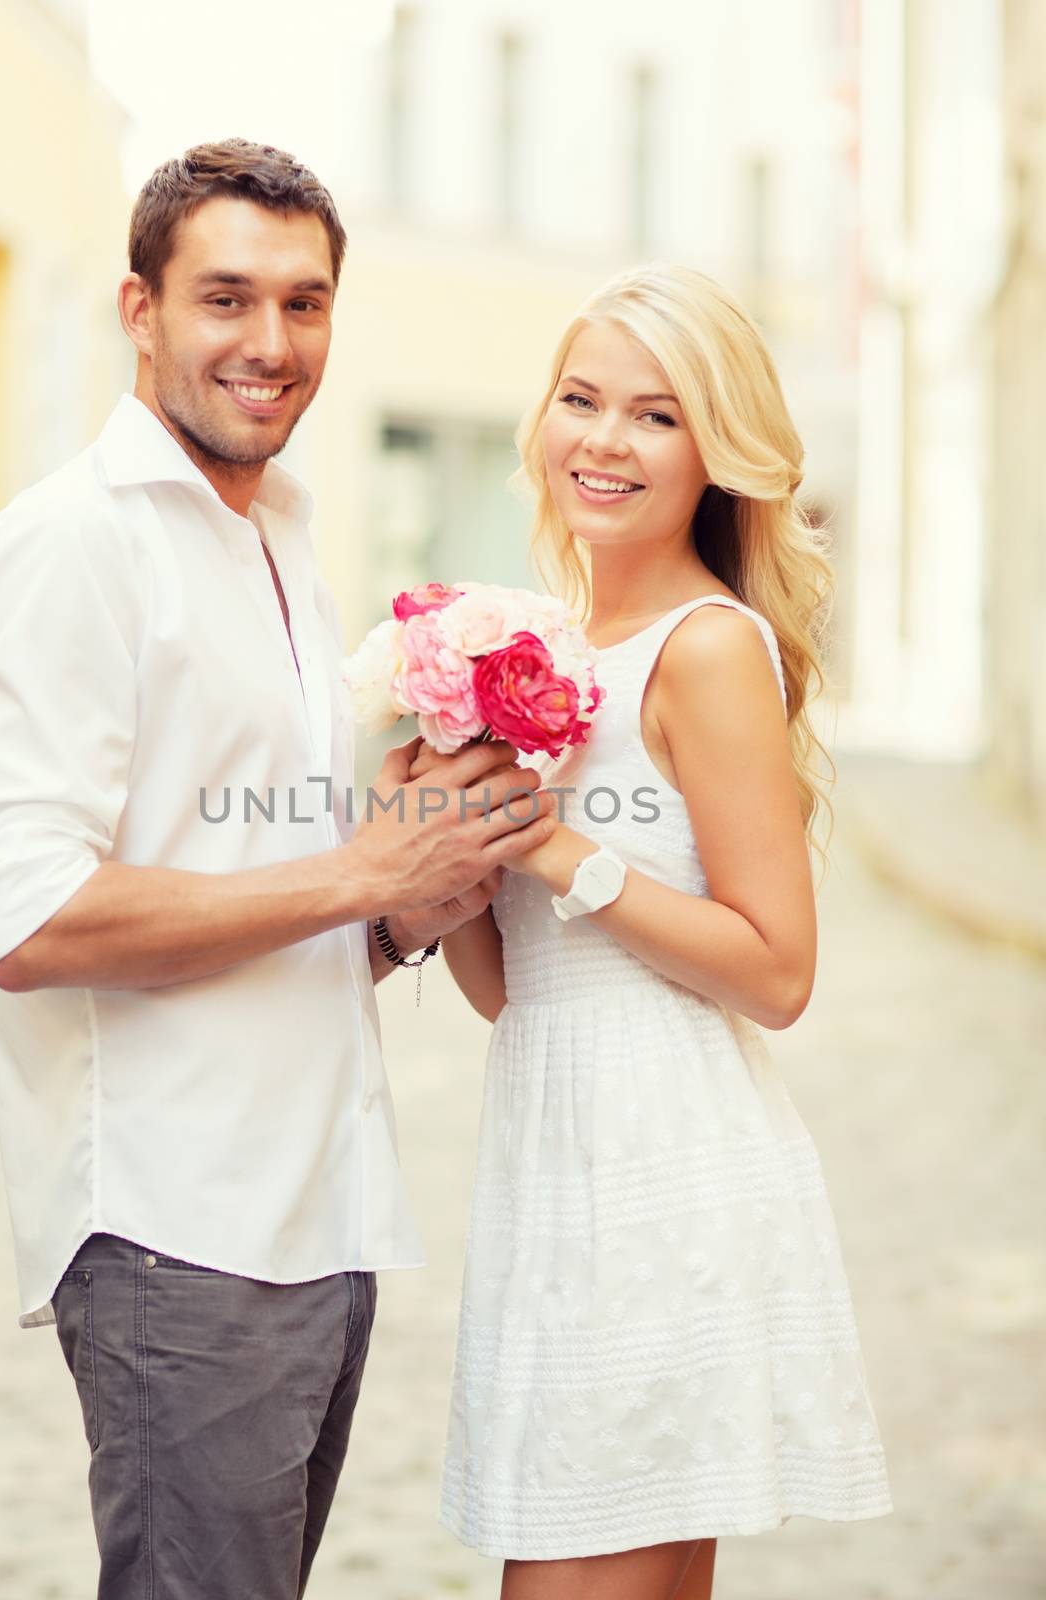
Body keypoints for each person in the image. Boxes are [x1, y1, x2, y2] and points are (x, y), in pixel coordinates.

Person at [0, 138, 554, 1600]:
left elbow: (264, 887)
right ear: (138, 310)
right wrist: (353, 877)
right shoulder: (73, 548)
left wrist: (410, 901)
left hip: (315, 1214)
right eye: (226, 298)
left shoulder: (278, 537)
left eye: (306, 302)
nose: (270, 345)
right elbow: (28, 915)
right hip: (179, 1231)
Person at [425, 263, 893, 1598]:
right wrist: (458, 834)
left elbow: (780, 970)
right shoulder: (551, 650)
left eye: (655, 415)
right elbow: (520, 994)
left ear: (714, 453)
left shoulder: (704, 648)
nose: (605, 441)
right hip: (555, 1156)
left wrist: (562, 848)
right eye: (581, 400)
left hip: (663, 1174)